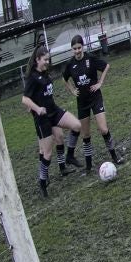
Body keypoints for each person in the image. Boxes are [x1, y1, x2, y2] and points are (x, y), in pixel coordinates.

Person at [20, 44, 84, 198]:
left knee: (76, 125)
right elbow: (24, 99)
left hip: (54, 111)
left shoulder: (45, 73)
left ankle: (69, 157)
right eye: (45, 60)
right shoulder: (33, 77)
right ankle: (42, 182)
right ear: (37, 60)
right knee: (47, 153)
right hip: (42, 119)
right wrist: (37, 108)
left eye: (48, 59)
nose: (47, 62)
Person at [60, 34, 121, 169]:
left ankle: (115, 156)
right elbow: (64, 79)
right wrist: (72, 90)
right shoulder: (70, 64)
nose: (77, 51)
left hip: (95, 98)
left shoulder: (90, 58)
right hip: (82, 102)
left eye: (79, 47)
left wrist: (100, 82)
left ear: (83, 47)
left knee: (103, 129)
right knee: (86, 134)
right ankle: (88, 165)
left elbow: (106, 66)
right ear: (72, 49)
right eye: (75, 48)